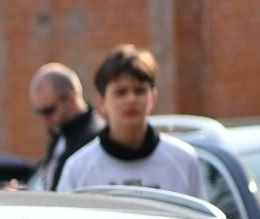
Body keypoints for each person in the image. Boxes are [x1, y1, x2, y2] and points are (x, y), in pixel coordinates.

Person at [57, 44, 202, 197]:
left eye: (139, 91)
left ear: (153, 97)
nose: (131, 99)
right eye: (121, 92)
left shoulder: (183, 160)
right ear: (102, 102)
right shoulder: (78, 169)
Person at [27, 62, 105, 190]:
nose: (46, 119)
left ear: (71, 98)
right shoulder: (61, 134)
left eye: (49, 110)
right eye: (41, 112)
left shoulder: (95, 137)